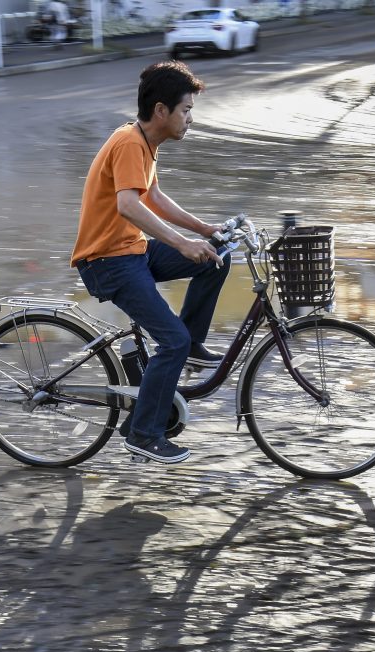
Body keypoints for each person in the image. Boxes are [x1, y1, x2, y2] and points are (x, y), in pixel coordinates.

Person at [71, 61, 229, 465]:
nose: (190, 118)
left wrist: (204, 230)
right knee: (169, 340)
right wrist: (180, 242)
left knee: (215, 259)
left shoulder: (144, 143)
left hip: (132, 252)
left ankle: (190, 344)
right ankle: (144, 434)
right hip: (109, 261)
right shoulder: (129, 143)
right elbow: (128, 205)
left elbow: (153, 197)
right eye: (186, 110)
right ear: (162, 111)